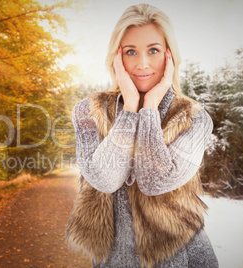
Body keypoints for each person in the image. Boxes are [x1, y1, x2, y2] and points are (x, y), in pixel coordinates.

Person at [66, 4, 219, 268]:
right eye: (130, 52)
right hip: (113, 258)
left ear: (169, 56)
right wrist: (129, 109)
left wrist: (148, 109)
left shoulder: (194, 118)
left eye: (153, 50)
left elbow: (154, 181)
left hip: (180, 257)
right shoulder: (89, 112)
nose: (142, 63)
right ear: (117, 57)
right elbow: (105, 178)